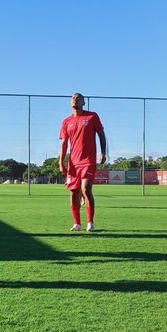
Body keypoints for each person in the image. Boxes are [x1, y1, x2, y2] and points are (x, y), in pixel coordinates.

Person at [58, 93, 107, 232]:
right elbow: (63, 143)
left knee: (86, 188)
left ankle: (90, 222)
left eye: (78, 98)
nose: (75, 99)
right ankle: (77, 223)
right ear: (70, 102)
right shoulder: (66, 121)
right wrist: (61, 162)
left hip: (88, 161)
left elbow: (101, 134)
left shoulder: (92, 116)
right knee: (74, 192)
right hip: (73, 163)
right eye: (73, 98)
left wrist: (103, 152)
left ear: (84, 102)